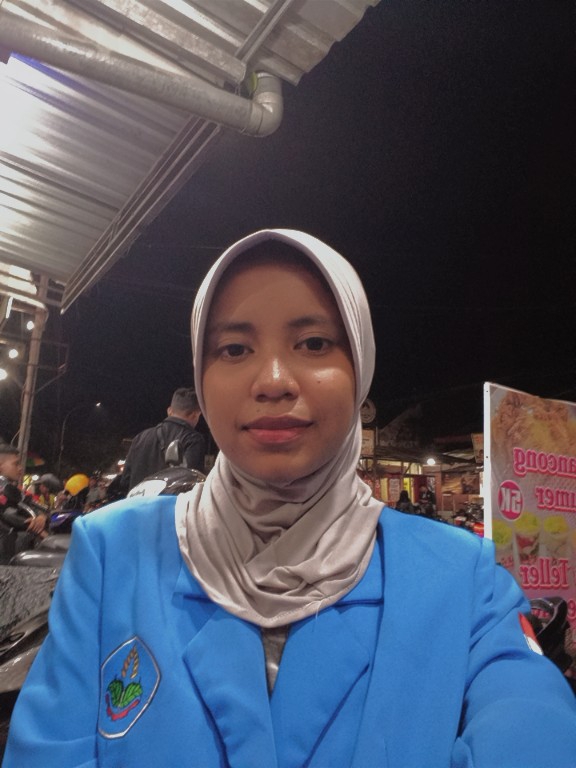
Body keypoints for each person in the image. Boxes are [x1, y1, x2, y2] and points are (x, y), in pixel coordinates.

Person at [4, 230, 576, 767]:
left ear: (360, 368)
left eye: (314, 343)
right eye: (234, 348)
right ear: (201, 376)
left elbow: (532, 722)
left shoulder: (461, 578)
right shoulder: (112, 553)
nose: (273, 380)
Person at [121, 387, 205, 492]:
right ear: (195, 415)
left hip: (136, 501)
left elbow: (125, 481)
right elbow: (193, 484)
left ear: (169, 411)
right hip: (170, 502)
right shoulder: (192, 439)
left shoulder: (140, 437)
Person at [0, 445, 48, 563]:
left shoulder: (13, 490)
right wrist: (35, 527)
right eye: (16, 464)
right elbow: (6, 515)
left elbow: (37, 506)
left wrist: (41, 517)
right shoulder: (4, 488)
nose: (20, 468)